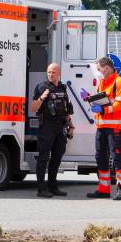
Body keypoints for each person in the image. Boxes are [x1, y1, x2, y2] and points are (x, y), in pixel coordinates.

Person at [86, 55, 121, 200]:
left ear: (106, 68)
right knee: (100, 157)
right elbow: (102, 100)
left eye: (99, 69)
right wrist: (89, 98)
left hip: (114, 127)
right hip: (101, 126)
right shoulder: (102, 82)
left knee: (117, 156)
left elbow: (119, 104)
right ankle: (104, 189)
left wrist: (103, 110)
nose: (98, 72)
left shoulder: (119, 82)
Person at [29, 62, 74, 197]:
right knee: (43, 157)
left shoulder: (62, 88)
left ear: (58, 73)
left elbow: (66, 109)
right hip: (47, 126)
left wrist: (71, 125)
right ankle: (41, 189)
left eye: (53, 72)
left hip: (60, 126)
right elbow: (33, 108)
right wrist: (42, 97)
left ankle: (53, 186)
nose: (50, 74)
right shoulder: (41, 87)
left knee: (57, 157)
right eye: (48, 72)